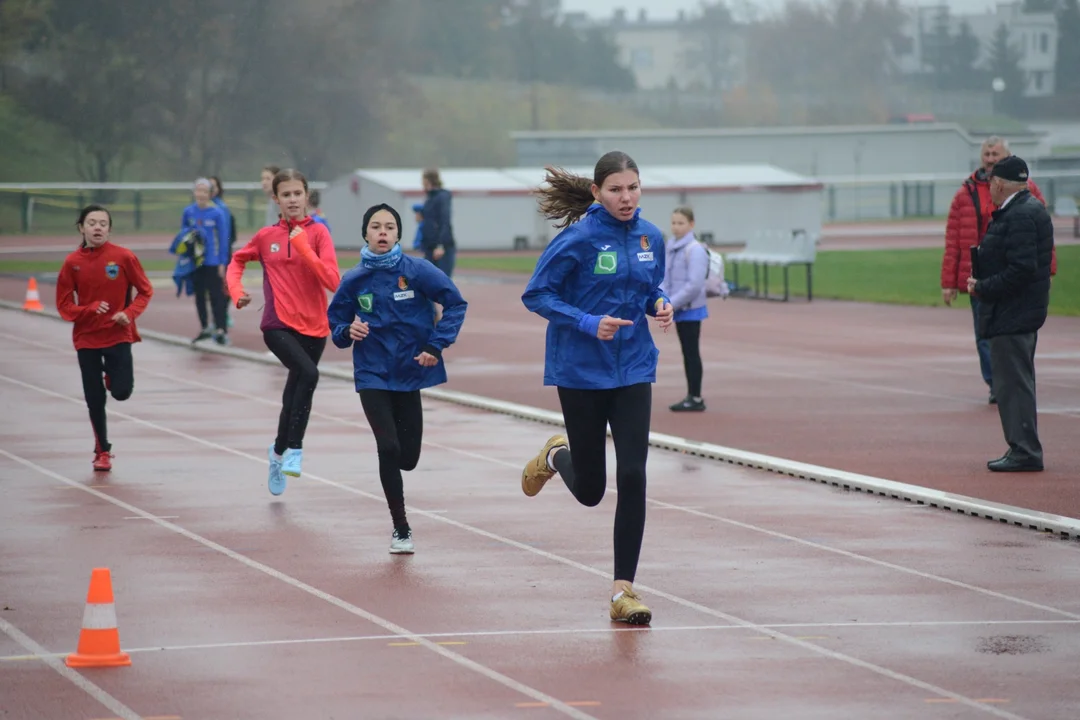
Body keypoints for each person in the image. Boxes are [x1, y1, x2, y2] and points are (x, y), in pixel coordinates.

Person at [518, 150, 674, 625]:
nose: (626, 198)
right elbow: (537, 294)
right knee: (590, 490)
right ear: (597, 192)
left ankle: (622, 590)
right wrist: (588, 321)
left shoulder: (651, 237)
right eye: (615, 190)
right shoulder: (578, 239)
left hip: (633, 369)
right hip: (581, 370)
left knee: (633, 474)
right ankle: (554, 455)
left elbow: (648, 288)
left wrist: (660, 303)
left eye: (633, 188)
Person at [327, 203, 468, 554]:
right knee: (388, 447)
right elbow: (336, 328)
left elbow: (455, 303)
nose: (383, 233)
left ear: (399, 234)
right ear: (365, 234)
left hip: (409, 372)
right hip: (372, 371)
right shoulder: (353, 279)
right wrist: (349, 329)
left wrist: (436, 345)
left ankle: (400, 509)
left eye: (390, 227)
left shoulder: (417, 271)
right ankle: (401, 527)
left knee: (408, 458)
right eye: (376, 226)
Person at [227, 169, 341, 494]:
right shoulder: (265, 237)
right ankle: (295, 450)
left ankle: (276, 453)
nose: (292, 200)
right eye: (286, 195)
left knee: (295, 394)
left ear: (306, 196)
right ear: (276, 199)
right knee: (309, 374)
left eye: (297, 194)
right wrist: (236, 292)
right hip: (278, 324)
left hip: (315, 327)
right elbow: (236, 261)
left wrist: (304, 248)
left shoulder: (319, 234)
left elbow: (333, 281)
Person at [941, 135, 1056, 404]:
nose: (991, 159)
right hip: (978, 275)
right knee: (984, 331)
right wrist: (949, 281)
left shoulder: (1027, 193)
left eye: (996, 154)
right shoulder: (965, 193)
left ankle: (1012, 381)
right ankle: (996, 382)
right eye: (987, 154)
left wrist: (1047, 268)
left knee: (1013, 331)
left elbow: (1043, 234)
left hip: (1012, 272)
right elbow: (954, 238)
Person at [968, 156, 1053, 473]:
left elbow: (1021, 269)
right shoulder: (1026, 210)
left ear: (1000, 184)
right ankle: (1022, 447)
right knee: (1016, 381)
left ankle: (1025, 450)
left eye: (990, 182)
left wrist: (984, 286)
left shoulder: (1018, 215)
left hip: (1013, 312)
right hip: (1018, 311)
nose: (988, 188)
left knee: (1013, 384)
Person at [55, 205, 154, 471]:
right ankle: (102, 451)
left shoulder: (123, 257)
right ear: (81, 228)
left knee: (121, 392)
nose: (97, 227)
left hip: (118, 335)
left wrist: (129, 313)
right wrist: (87, 308)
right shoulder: (71, 263)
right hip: (86, 338)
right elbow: (64, 306)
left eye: (103, 223)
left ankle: (111, 375)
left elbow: (145, 291)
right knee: (94, 398)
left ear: (109, 229)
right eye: (92, 223)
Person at [171, 178, 231, 345]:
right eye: (198, 191)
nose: (201, 194)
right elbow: (182, 233)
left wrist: (222, 262)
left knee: (216, 296)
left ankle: (221, 329)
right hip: (196, 262)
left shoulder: (217, 212)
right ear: (194, 192)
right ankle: (205, 327)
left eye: (205, 191)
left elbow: (223, 238)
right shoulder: (188, 212)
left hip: (213, 261)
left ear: (210, 193)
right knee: (199, 295)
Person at [662, 206, 709, 412]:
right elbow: (664, 276)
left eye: (681, 223)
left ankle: (695, 397)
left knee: (691, 352)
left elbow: (694, 285)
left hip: (689, 308)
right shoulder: (671, 246)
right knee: (687, 352)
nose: (676, 227)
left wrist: (672, 302)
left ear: (691, 225)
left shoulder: (695, 249)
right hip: (677, 306)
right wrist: (663, 298)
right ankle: (692, 394)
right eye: (673, 223)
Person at [419, 168, 455, 277]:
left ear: (428, 180)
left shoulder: (442, 196)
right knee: (428, 281)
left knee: (442, 281)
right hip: (429, 246)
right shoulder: (429, 198)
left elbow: (444, 220)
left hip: (440, 247)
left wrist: (441, 245)